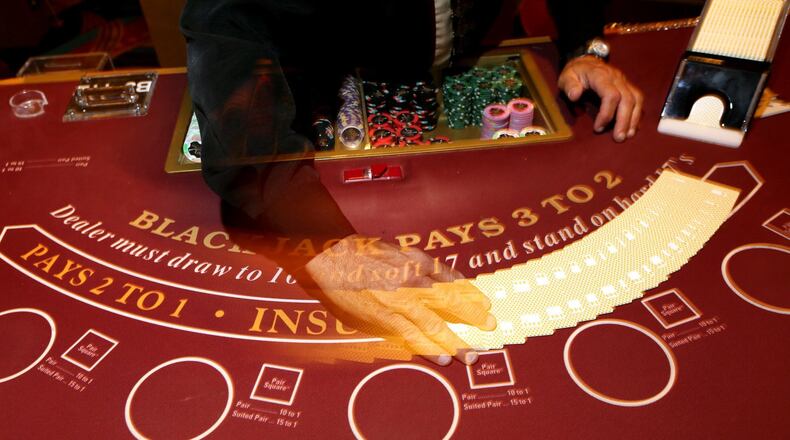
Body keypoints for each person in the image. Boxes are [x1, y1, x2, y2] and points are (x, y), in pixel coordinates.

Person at [180, 0, 644, 366]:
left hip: (473, 57)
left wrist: (586, 46)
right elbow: (224, 25)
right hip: (325, 69)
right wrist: (317, 234)